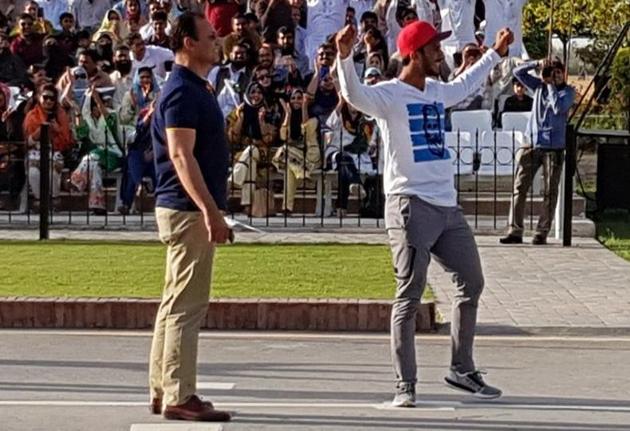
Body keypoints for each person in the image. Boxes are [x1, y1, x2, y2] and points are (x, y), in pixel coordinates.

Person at [335, 21, 514, 406]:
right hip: (410, 205)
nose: (441, 54)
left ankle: (461, 369)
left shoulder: (434, 90)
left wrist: (495, 55)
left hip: (446, 207)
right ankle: (405, 386)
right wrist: (345, 57)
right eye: (435, 48)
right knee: (410, 296)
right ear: (415, 53)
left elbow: (464, 86)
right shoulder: (389, 95)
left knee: (472, 281)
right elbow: (354, 96)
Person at [149, 11, 231, 422]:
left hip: (182, 209)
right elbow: (182, 157)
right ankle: (180, 394)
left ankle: (163, 388)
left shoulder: (193, 88)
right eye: (211, 36)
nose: (219, 41)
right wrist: (210, 212)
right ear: (188, 43)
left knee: (173, 302)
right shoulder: (182, 91)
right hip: (187, 212)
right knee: (187, 305)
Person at [499, 59, 575, 245]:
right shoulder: (539, 86)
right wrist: (536, 64)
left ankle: (542, 231)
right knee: (519, 187)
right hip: (532, 144)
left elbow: (558, 108)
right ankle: (515, 230)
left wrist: (550, 86)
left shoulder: (568, 92)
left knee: (550, 191)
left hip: (553, 148)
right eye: (552, 72)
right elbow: (517, 73)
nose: (554, 75)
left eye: (558, 72)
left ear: (563, 73)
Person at [272, 88, 320, 214]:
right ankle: (301, 173)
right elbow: (283, 136)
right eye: (293, 98)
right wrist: (288, 114)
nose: (296, 101)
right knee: (288, 160)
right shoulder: (289, 116)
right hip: (293, 157)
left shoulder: (314, 118)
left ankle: (287, 207)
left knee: (288, 159)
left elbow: (307, 133)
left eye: (299, 98)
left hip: (309, 155)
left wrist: (304, 108)